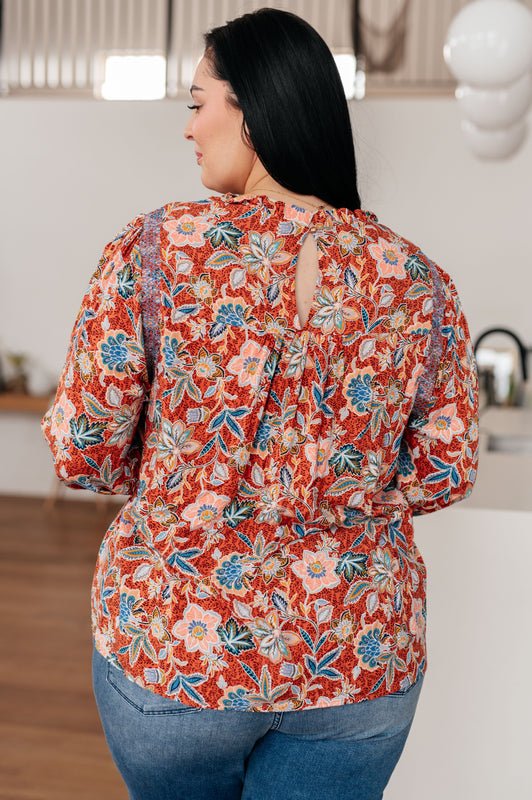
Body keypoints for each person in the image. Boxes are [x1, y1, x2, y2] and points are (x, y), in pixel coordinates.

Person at [42, 7, 478, 800]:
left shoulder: (156, 249)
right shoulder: (418, 280)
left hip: (180, 648)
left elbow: (82, 446)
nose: (188, 127)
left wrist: (180, 476)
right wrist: (353, 490)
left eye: (198, 102)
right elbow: (448, 467)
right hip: (357, 655)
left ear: (255, 110)